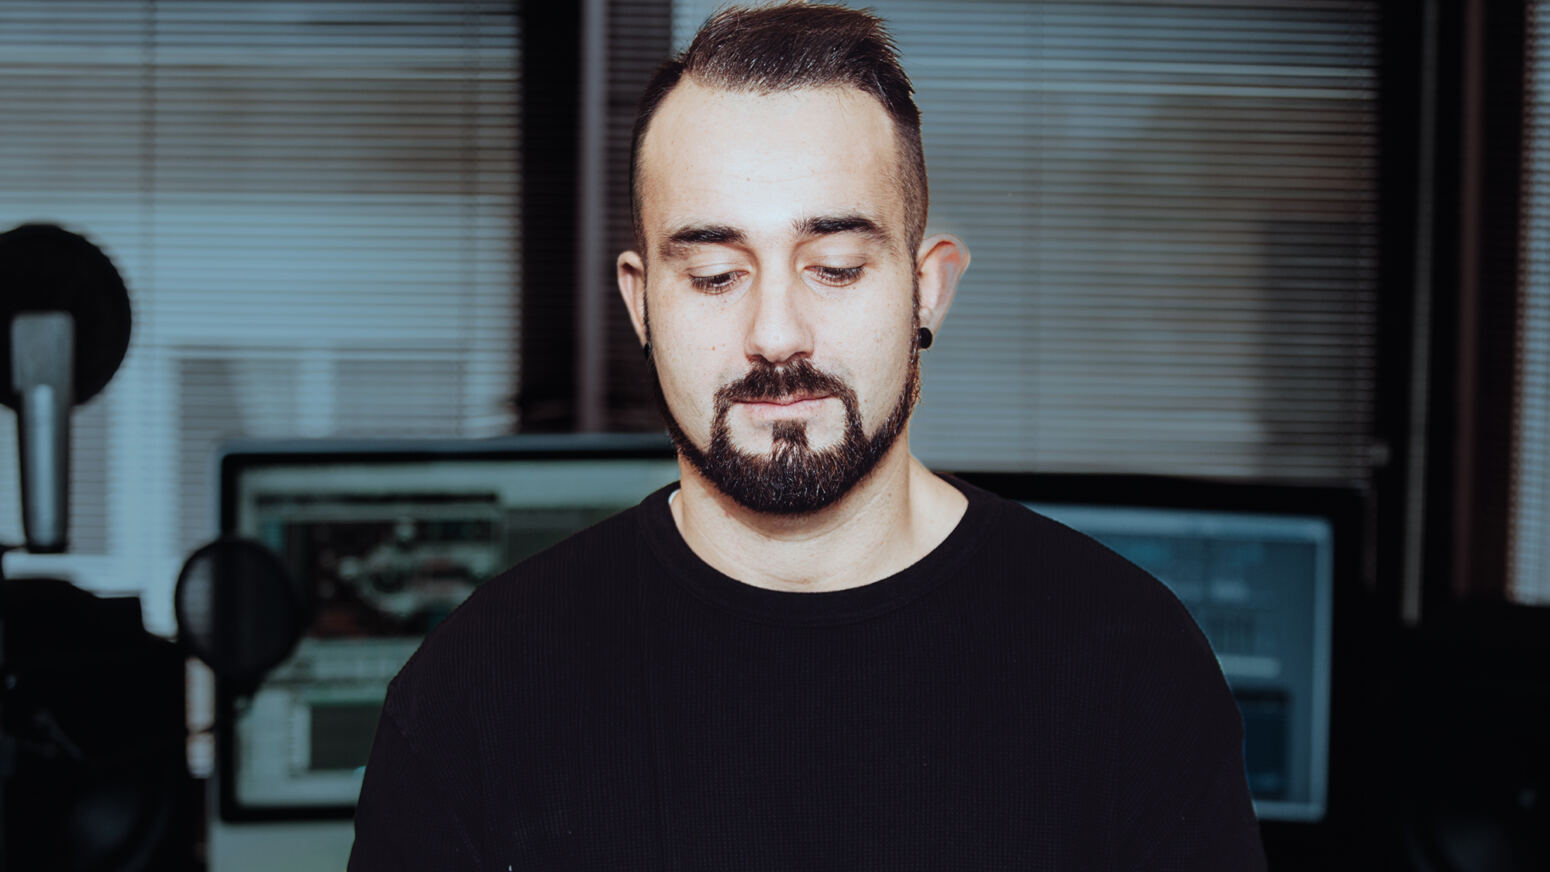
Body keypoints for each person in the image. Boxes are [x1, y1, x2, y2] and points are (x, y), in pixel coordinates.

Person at [348, 3, 1267, 869]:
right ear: (641, 303)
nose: (777, 334)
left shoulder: (1130, 664)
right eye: (715, 275)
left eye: (834, 268)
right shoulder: (474, 692)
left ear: (927, 289)